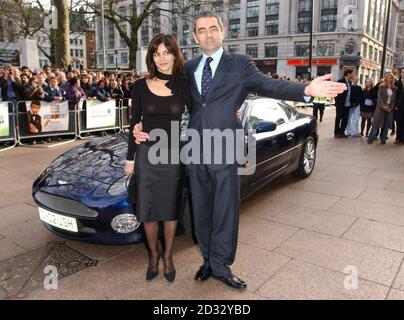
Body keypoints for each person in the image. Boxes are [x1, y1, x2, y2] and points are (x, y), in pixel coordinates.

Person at [133, 11, 346, 290]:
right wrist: (140, 126)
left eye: (212, 28)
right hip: (195, 148)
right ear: (195, 36)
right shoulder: (189, 66)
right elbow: (164, 97)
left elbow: (270, 85)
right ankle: (207, 259)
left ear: (223, 32)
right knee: (201, 209)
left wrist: (305, 89)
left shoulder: (240, 65)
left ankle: (221, 265)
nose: (207, 34)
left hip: (226, 146)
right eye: (201, 30)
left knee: (226, 209)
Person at [125, 34, 191, 283]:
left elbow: (198, 116)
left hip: (173, 155)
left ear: (175, 54)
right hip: (146, 156)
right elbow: (134, 123)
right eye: (156, 53)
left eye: (166, 52)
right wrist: (130, 159)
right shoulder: (140, 86)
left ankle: (169, 256)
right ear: (151, 57)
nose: (161, 58)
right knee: (149, 210)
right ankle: (153, 256)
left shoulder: (184, 85)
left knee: (170, 210)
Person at [368, 73, 397, 145]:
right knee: (376, 124)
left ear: (392, 79)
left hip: (389, 109)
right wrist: (384, 107)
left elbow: (394, 100)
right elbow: (379, 98)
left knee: (386, 126)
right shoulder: (381, 87)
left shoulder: (394, 88)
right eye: (388, 78)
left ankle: (383, 140)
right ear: (385, 79)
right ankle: (370, 140)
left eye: (391, 78)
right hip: (381, 108)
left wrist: (390, 108)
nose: (389, 79)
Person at [334, 68, 354, 138]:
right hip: (340, 104)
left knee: (345, 119)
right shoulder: (340, 81)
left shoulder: (350, 82)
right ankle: (336, 133)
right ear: (348, 74)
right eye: (352, 74)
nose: (353, 75)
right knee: (338, 118)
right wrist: (337, 101)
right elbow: (335, 92)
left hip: (347, 104)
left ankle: (342, 132)